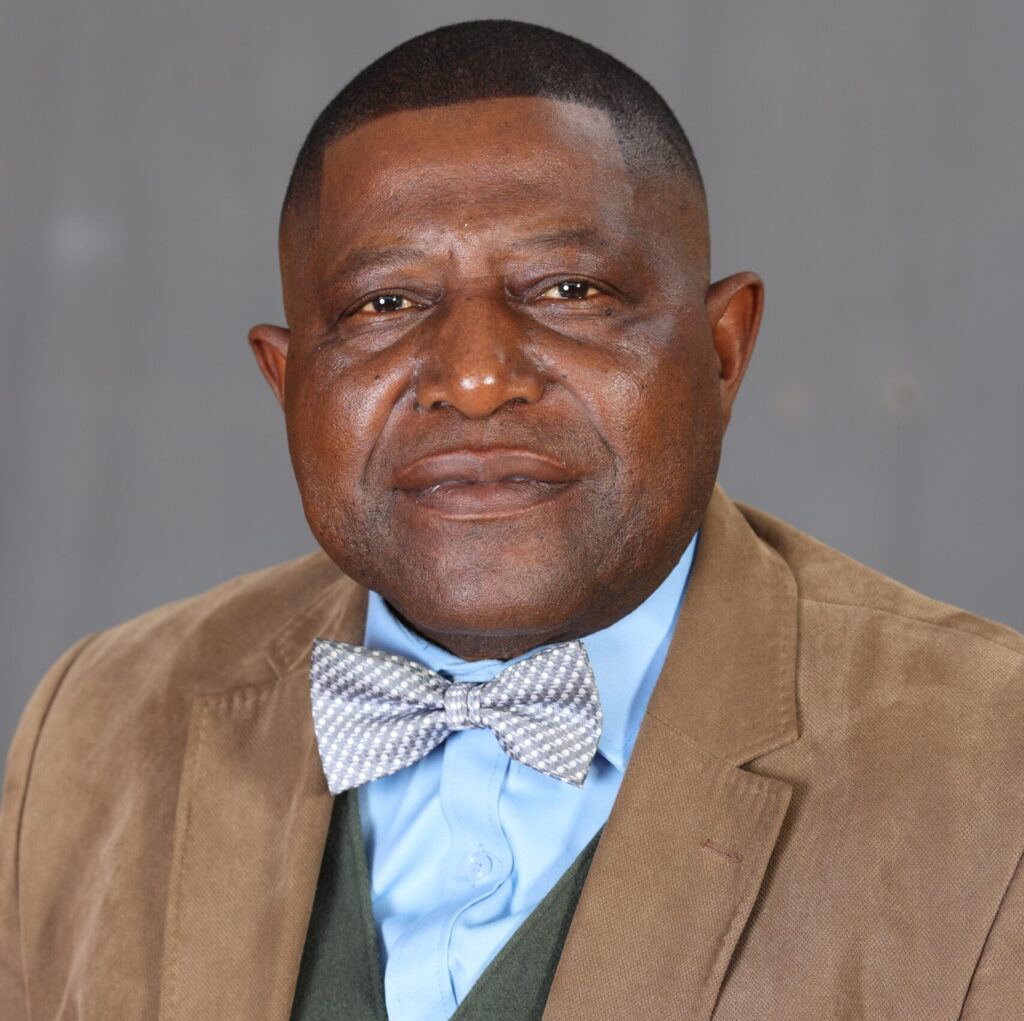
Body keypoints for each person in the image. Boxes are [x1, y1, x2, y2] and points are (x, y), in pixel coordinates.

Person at [1, 19, 1021, 1021]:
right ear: (287, 381)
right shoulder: (97, 726)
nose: (477, 378)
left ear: (721, 352)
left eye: (570, 289)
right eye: (384, 304)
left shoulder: (992, 768)